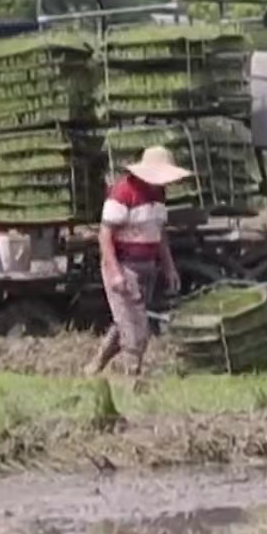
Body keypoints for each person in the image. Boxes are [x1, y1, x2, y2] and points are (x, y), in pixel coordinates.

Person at [87, 145, 189, 380]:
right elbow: (105, 235)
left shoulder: (159, 196)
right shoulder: (123, 193)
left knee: (125, 322)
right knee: (137, 330)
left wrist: (169, 267)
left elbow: (160, 234)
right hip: (123, 266)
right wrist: (115, 273)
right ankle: (132, 378)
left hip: (146, 266)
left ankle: (94, 367)